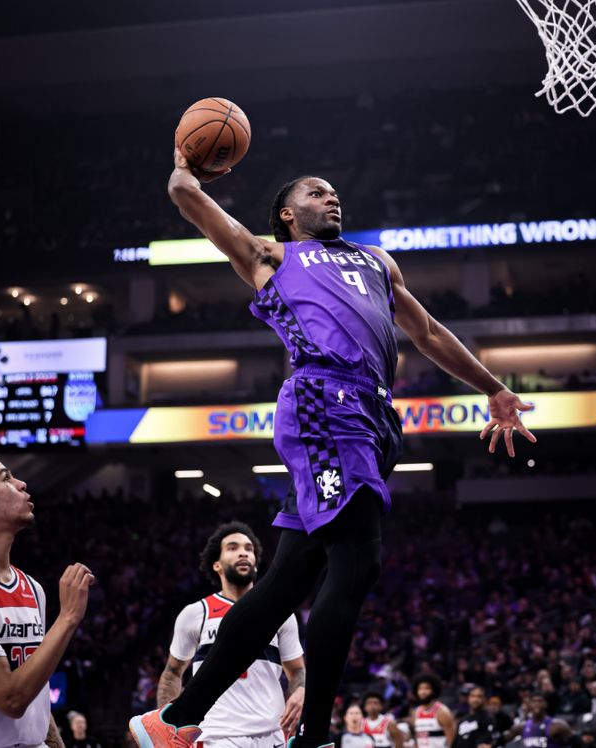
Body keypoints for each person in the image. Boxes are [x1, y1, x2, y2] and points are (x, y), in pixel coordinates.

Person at [129, 151, 537, 748]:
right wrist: (186, 166)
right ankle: (314, 736)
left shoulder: (377, 262)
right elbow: (188, 199)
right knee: (358, 564)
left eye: (333, 191)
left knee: (285, 584)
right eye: (316, 193)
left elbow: (427, 333)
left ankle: (175, 720)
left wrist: (493, 388)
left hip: (374, 416)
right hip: (326, 402)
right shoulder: (272, 257)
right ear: (287, 214)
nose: (331, 197)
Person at [0, 447, 94, 748]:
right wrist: (68, 617)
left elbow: (36, 691)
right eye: (6, 478)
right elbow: (11, 698)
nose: (22, 484)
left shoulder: (32, 587)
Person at [156, 522, 306, 747]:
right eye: (233, 548)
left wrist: (301, 690)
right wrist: (166, 730)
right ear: (216, 565)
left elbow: (297, 670)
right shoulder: (196, 613)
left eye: (248, 549)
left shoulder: (280, 613)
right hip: (216, 734)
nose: (243, 552)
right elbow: (172, 673)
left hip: (272, 735)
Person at [503, 693, 573, 747]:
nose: (537, 704)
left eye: (540, 701)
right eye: (534, 701)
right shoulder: (521, 727)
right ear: (529, 704)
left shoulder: (558, 725)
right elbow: (503, 740)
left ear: (546, 704)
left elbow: (576, 743)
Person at [413, 674, 456, 748]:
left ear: (434, 690)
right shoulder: (416, 712)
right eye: (420, 689)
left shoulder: (442, 712)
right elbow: (417, 739)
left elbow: (452, 741)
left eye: (427, 688)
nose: (423, 692)